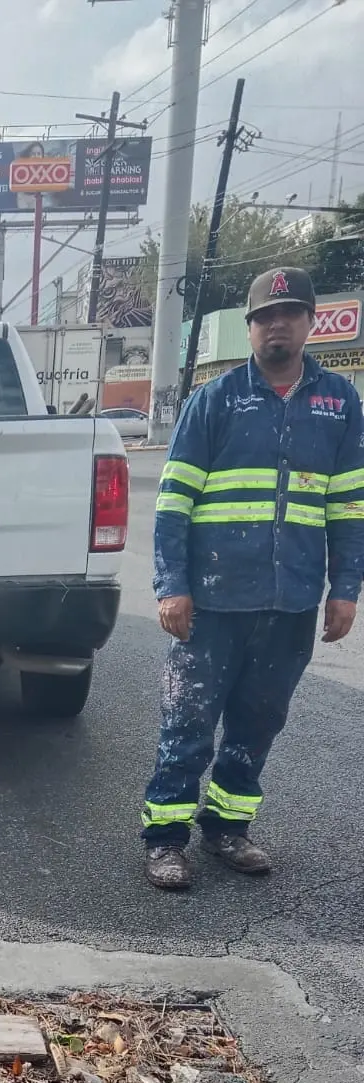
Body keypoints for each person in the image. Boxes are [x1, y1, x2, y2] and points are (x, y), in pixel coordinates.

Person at [141, 266, 364, 891]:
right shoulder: (214, 400)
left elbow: (348, 504)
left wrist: (345, 588)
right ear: (249, 328)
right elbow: (173, 503)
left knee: (259, 721)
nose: (278, 324)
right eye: (266, 315)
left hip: (290, 599)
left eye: (290, 313)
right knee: (187, 722)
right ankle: (165, 841)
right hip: (213, 599)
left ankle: (228, 830)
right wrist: (171, 585)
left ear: (309, 322)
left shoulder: (339, 402)